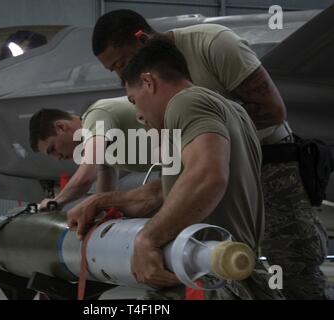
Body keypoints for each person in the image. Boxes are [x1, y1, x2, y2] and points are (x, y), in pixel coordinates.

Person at [90, 9, 328, 299]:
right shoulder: (168, 94)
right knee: (222, 264)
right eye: (113, 70)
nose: (121, 74)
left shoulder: (212, 45)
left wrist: (212, 131)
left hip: (271, 164)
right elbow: (190, 171)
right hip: (220, 162)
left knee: (292, 265)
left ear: (142, 38)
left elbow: (273, 111)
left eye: (122, 63)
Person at [68, 37, 284, 299]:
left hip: (206, 278)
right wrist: (107, 200)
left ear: (148, 82)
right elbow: (175, 188)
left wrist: (147, 238)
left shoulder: (185, 103)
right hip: (228, 273)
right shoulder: (230, 109)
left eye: (134, 100)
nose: (137, 114)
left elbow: (207, 176)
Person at [29, 96, 156, 209]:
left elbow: (85, 177)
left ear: (62, 127)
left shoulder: (96, 116)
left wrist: (55, 202)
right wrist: (98, 212)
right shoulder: (99, 142)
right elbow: (104, 192)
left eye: (52, 149)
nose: (57, 157)